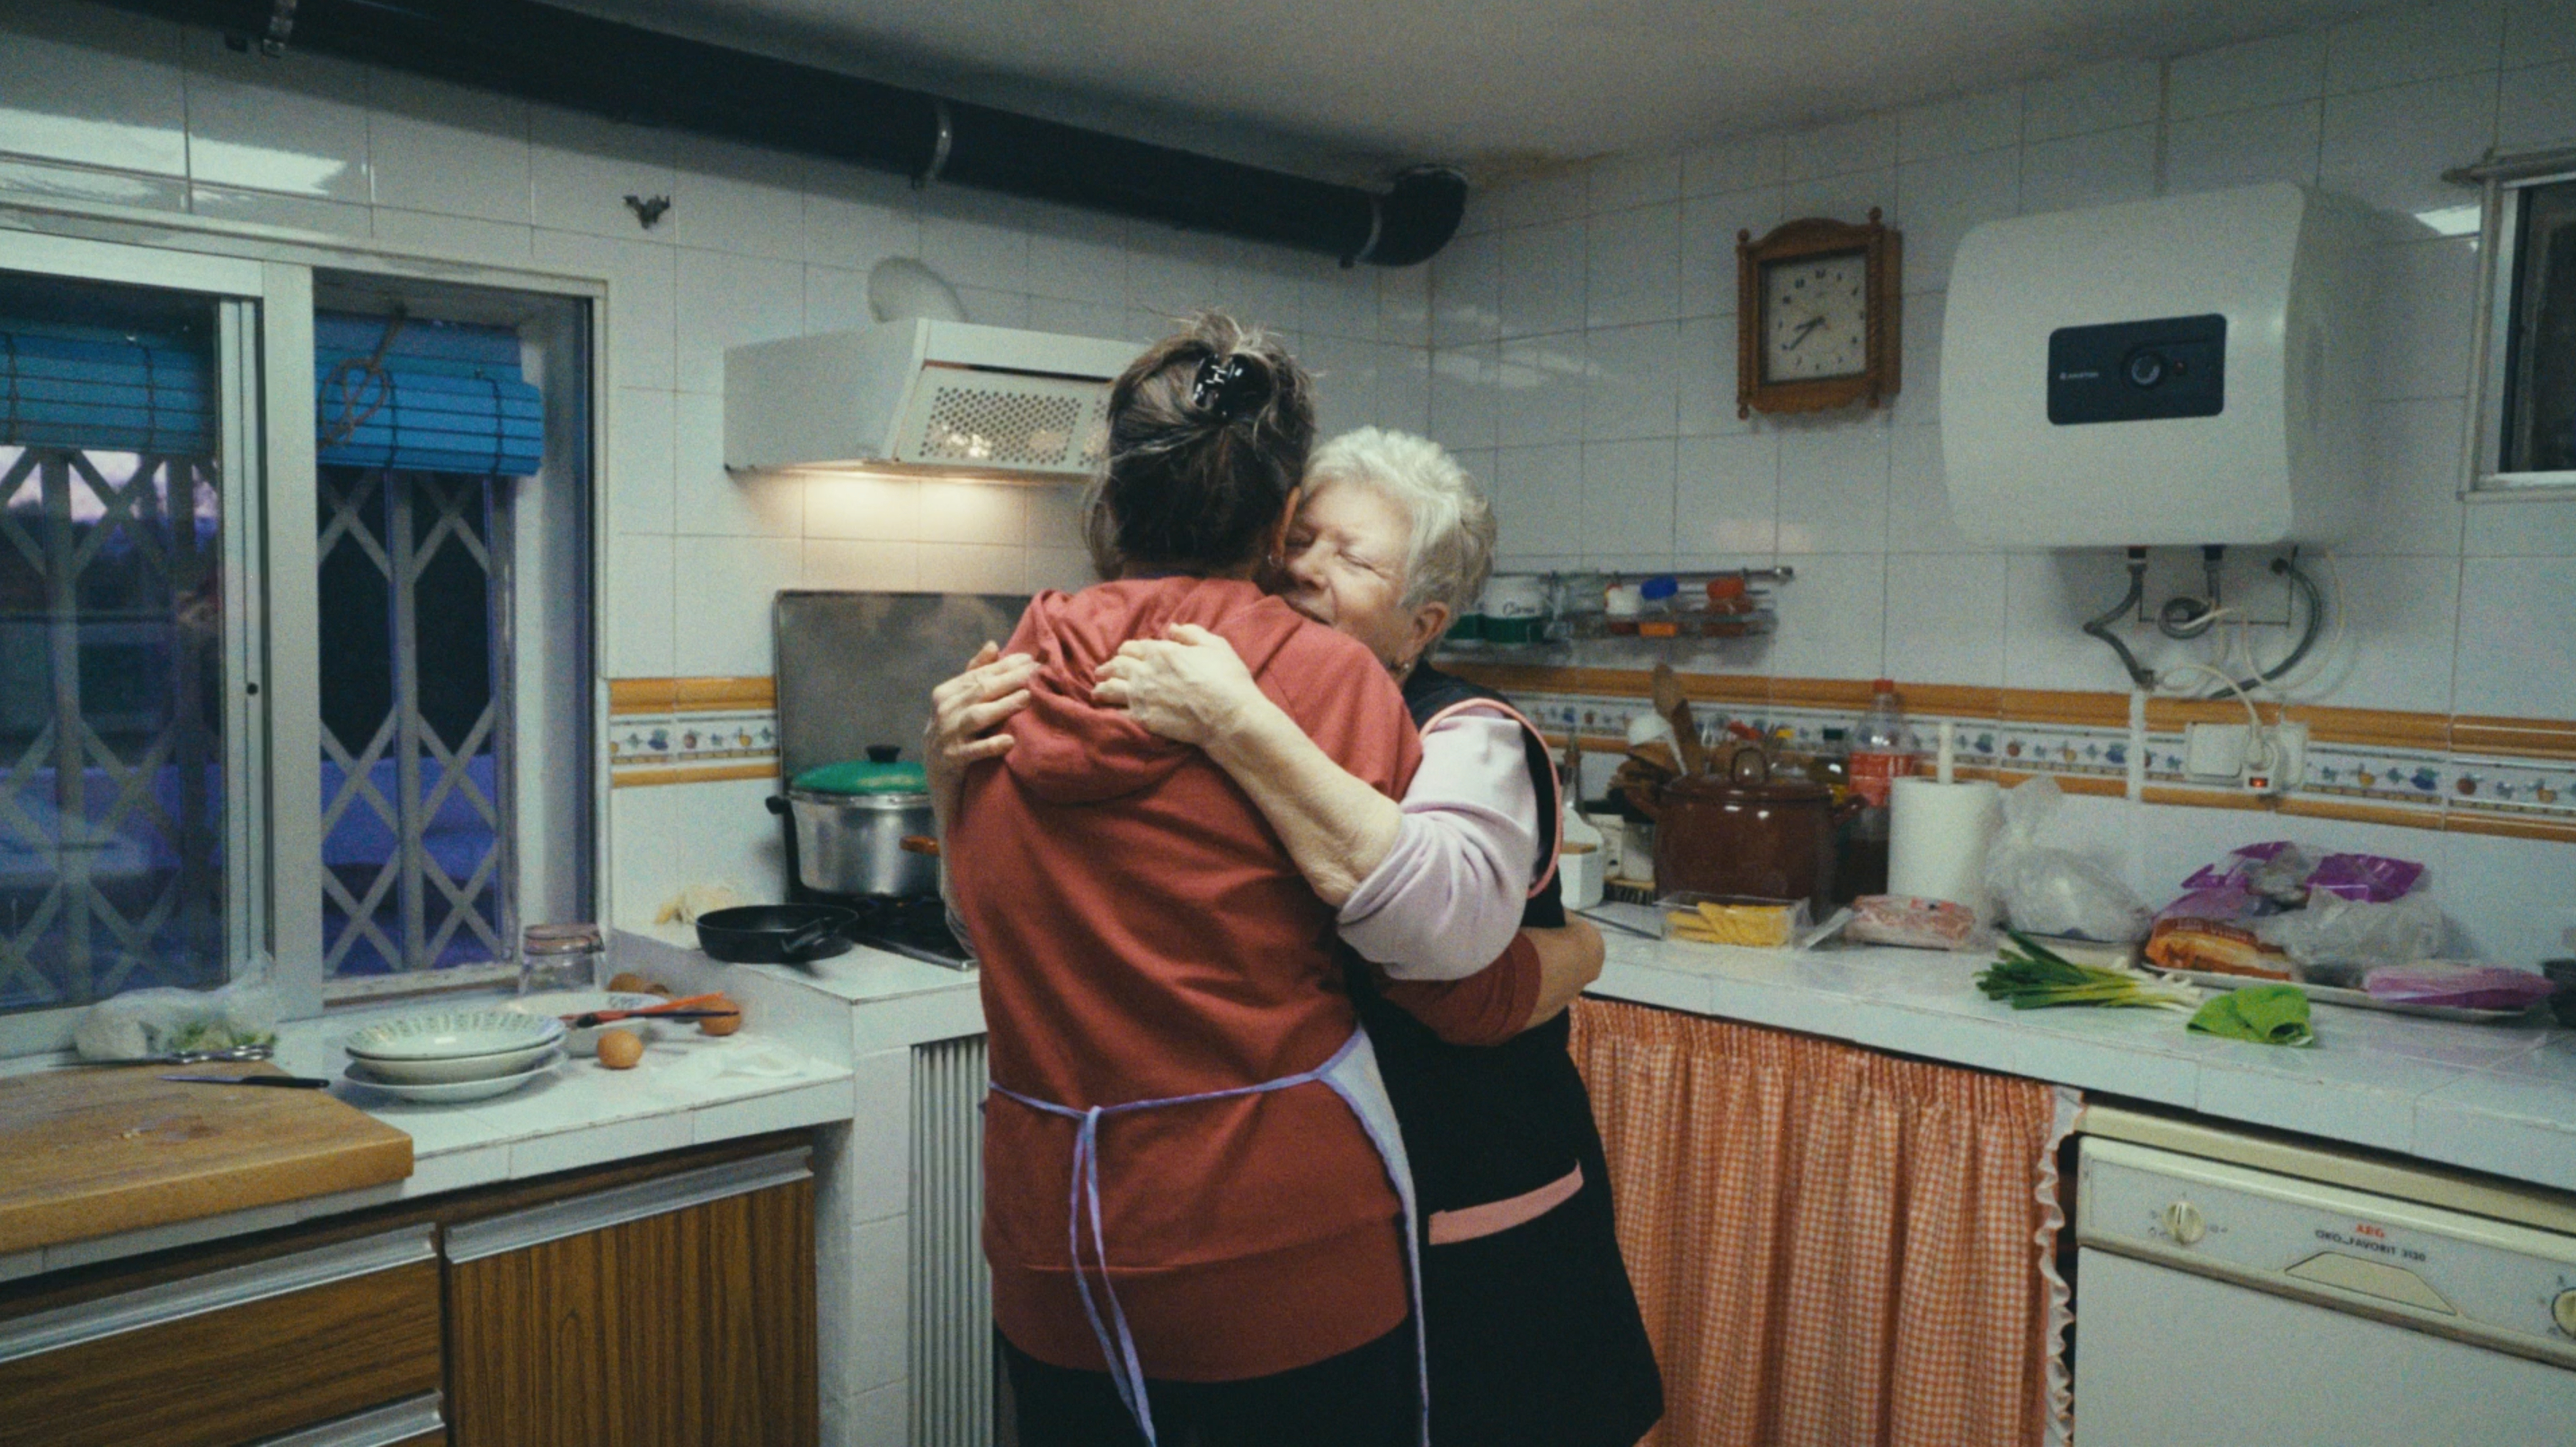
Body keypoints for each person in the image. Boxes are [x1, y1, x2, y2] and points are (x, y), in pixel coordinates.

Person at [935, 427, 1664, 1447]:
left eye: (1353, 558)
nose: (1307, 570)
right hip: (1314, 1221)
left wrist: (1586, 950)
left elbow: (1448, 967)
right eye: (1301, 537)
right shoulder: (1209, 702)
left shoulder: (1467, 733)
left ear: (1422, 622)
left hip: (1473, 1194)